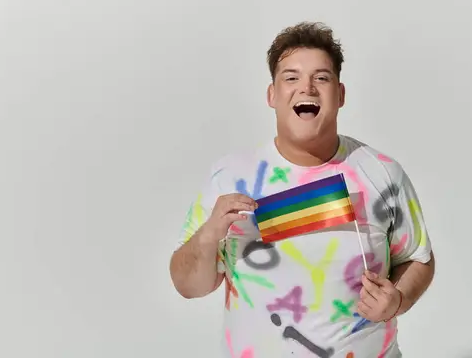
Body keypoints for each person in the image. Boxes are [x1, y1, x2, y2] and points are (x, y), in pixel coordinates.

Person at [169, 21, 435, 357]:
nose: (306, 88)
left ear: (340, 94)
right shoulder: (231, 177)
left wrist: (398, 299)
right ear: (272, 94)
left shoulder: (382, 173)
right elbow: (187, 286)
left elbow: (418, 258)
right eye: (291, 77)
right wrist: (208, 236)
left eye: (321, 78)